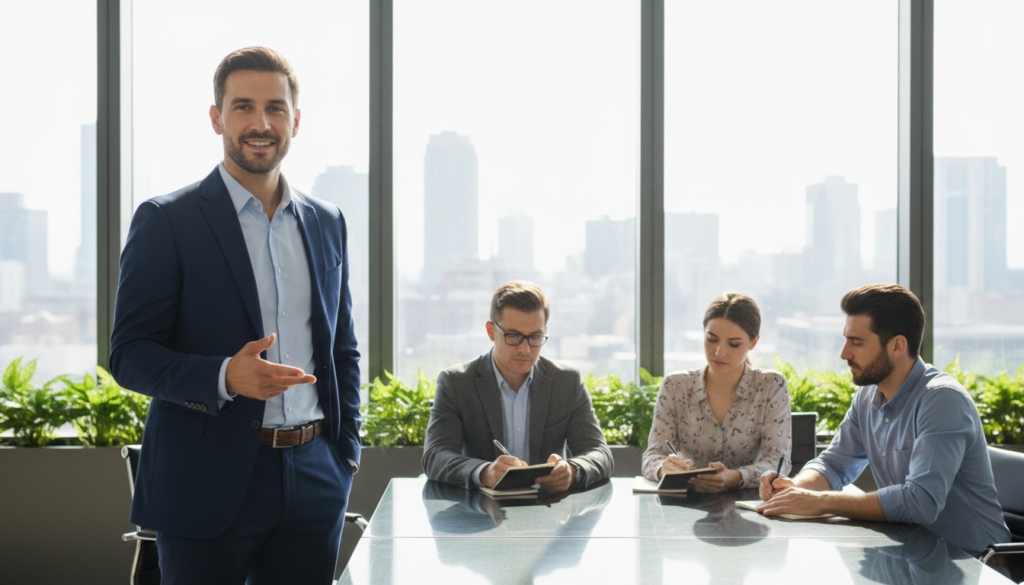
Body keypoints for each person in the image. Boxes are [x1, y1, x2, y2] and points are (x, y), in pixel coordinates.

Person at [109, 47, 361, 584]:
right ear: (217, 117)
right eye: (243, 106)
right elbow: (129, 356)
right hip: (203, 482)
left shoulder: (327, 221)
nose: (261, 123)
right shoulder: (166, 221)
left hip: (316, 478)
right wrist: (226, 375)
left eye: (275, 107)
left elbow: (342, 348)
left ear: (296, 119)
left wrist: (344, 459)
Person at [757, 283, 1010, 557]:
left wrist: (820, 502)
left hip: (976, 564)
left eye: (856, 342)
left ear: (897, 346)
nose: (844, 353)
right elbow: (834, 464)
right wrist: (796, 487)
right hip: (916, 555)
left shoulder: (942, 401)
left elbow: (920, 502)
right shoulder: (867, 396)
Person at [422, 280, 613, 491]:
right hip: (478, 513)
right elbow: (435, 456)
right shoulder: (456, 383)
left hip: (547, 511)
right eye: (513, 336)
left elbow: (600, 453)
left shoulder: (566, 382)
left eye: (535, 337)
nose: (525, 349)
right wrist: (484, 472)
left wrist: (573, 470)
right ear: (491, 331)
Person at [642, 292, 791, 492]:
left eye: (734, 344)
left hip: (748, 507)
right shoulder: (675, 387)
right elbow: (652, 456)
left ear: (753, 343)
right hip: (683, 509)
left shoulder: (772, 386)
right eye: (712, 339)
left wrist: (735, 477)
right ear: (703, 332)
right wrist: (663, 468)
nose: (719, 352)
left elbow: (779, 462)